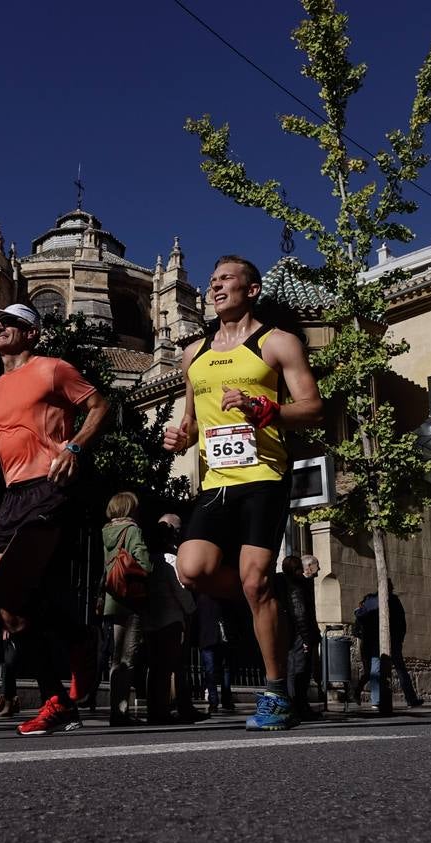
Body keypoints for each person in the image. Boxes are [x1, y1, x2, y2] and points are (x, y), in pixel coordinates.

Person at [162, 255, 323, 731]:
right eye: (212, 282)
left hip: (263, 478)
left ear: (251, 290)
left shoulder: (278, 342)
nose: (215, 287)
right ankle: (267, 600)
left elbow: (312, 406)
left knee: (254, 581)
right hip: (215, 482)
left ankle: (274, 692)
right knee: (193, 569)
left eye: (226, 280)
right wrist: (181, 437)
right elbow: (191, 423)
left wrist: (264, 407)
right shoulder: (195, 354)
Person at [0, 302, 110, 736]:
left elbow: (99, 405)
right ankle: (66, 677)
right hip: (12, 494)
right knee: (11, 607)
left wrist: (74, 447)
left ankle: (69, 666)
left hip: (52, 486)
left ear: (32, 332)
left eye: (11, 322)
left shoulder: (53, 369)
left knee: (17, 586)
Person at [146, 512, 203, 724]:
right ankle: (164, 711)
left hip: (151, 620)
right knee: (169, 666)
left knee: (155, 667)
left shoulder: (149, 559)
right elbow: (182, 592)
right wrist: (191, 610)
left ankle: (156, 708)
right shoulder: (170, 559)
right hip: (171, 620)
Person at [100, 491, 149, 726]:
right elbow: (144, 564)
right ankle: (121, 712)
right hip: (131, 596)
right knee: (128, 658)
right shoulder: (132, 530)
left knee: (115, 657)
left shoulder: (105, 531)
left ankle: (114, 710)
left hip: (113, 597)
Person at [355, 584, 423, 709]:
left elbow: (360, 617)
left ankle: (376, 700)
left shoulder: (370, 600)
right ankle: (410, 699)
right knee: (400, 669)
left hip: (375, 640)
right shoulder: (393, 600)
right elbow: (401, 621)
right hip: (389, 639)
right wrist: (399, 638)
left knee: (376, 669)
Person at [279, 555, 321, 721]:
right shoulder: (296, 586)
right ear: (306, 567)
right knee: (299, 671)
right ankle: (298, 707)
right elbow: (300, 613)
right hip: (299, 635)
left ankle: (299, 706)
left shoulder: (294, 584)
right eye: (317, 566)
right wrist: (306, 638)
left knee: (298, 670)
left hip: (296, 634)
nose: (319, 570)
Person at [196, 593, 235, 715]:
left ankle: (216, 701)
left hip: (209, 638)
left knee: (212, 670)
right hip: (216, 637)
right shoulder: (222, 596)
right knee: (219, 670)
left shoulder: (200, 597)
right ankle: (223, 700)